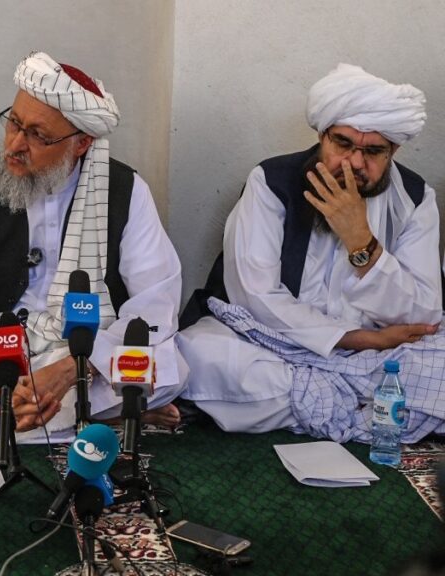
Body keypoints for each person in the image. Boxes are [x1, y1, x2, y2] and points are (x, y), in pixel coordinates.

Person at [0, 52, 187, 442]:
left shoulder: (125, 192)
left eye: (38, 135)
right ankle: (103, 418)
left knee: (170, 369)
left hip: (89, 347)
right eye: (13, 122)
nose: (15, 144)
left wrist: (71, 371)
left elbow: (155, 301)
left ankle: (24, 421)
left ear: (81, 144)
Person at [178, 64, 442, 437]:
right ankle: (363, 407)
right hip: (270, 344)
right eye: (343, 144)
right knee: (200, 354)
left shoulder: (415, 198)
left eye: (373, 151)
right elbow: (254, 296)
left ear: (393, 150)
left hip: (378, 355)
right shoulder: (272, 181)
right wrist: (355, 338)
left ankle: (317, 402)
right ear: (322, 136)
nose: (353, 163)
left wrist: (360, 241)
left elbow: (425, 312)